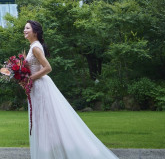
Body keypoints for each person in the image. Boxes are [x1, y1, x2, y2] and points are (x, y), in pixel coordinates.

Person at [21, 20, 119, 159]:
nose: (24, 30)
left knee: (46, 121)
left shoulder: (36, 47)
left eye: (27, 28)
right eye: (24, 28)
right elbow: (32, 67)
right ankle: (49, 153)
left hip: (40, 87)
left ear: (35, 32)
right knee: (42, 122)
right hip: (36, 88)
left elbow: (48, 68)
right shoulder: (33, 47)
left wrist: (30, 79)